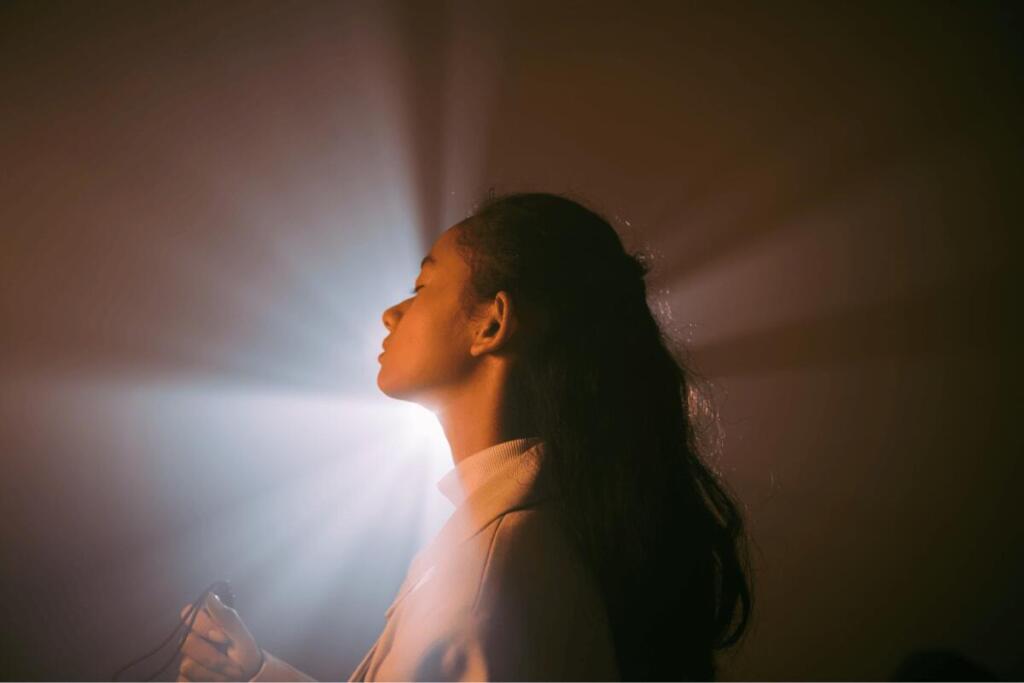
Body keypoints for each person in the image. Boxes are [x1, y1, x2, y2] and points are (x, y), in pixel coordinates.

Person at [176, 192, 753, 682]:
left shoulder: (490, 574)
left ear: (491, 324)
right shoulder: (513, 541)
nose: (390, 314)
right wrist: (254, 672)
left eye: (422, 285)